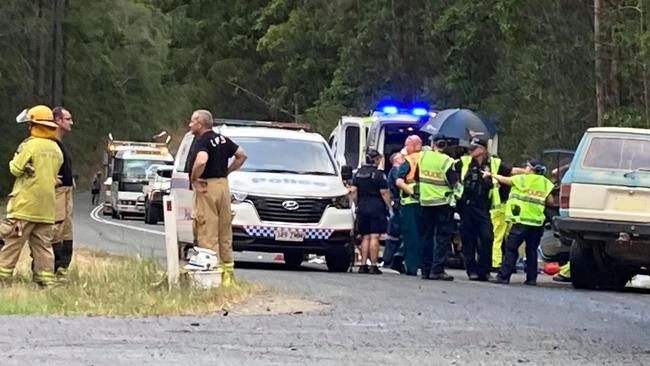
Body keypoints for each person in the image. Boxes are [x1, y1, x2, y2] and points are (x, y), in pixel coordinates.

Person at [0, 105, 63, 287]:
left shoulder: (29, 145)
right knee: (43, 248)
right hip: (46, 209)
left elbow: (15, 169)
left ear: (33, 124)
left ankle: (2, 280)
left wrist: (21, 163)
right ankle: (45, 281)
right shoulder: (56, 149)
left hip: (24, 206)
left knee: (10, 244)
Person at [186, 109, 247, 287]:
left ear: (200, 123)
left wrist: (194, 178)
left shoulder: (202, 141)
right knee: (224, 233)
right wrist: (227, 171)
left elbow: (202, 160)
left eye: (192, 122)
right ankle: (228, 277)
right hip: (223, 186)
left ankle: (211, 278)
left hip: (207, 187)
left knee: (207, 231)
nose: (190, 125)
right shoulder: (222, 139)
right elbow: (242, 155)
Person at [455, 137, 516, 281]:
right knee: (468, 240)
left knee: (487, 237)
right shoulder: (463, 162)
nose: (470, 151)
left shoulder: (494, 163)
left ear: (482, 150)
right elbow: (449, 173)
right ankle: (472, 270)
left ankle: (484, 270)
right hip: (466, 206)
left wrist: (529, 173)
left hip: (483, 207)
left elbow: (511, 172)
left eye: (474, 148)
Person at [487, 159, 554, 285]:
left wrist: (491, 175)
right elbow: (550, 201)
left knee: (511, 249)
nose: (525, 168)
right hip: (536, 223)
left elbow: (504, 180)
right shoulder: (546, 183)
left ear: (532, 169)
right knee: (531, 251)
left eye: (527, 166)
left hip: (521, 221)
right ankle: (531, 278)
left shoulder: (522, 179)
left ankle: (504, 277)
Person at [417, 134, 459, 281]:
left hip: (425, 202)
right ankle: (437, 270)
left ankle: (425, 270)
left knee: (425, 237)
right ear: (445, 145)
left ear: (432, 143)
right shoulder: (447, 161)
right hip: (442, 203)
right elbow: (453, 182)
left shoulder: (422, 157)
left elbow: (417, 177)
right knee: (442, 237)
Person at [350, 149, 392, 274]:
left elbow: (354, 191)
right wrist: (389, 206)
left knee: (365, 237)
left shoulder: (358, 173)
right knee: (374, 236)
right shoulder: (379, 174)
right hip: (376, 207)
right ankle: (373, 265)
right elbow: (384, 192)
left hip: (362, 207)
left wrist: (356, 205)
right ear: (375, 159)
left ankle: (363, 265)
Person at [51, 106, 75, 277]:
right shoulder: (51, 143)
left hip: (66, 192)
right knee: (55, 230)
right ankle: (51, 266)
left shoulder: (60, 143)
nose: (71, 122)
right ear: (57, 121)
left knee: (66, 230)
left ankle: (62, 267)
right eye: (68, 119)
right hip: (57, 193)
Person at [395, 135, 423, 276]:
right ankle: (425, 266)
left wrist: (412, 192)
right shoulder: (428, 158)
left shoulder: (408, 161)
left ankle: (411, 267)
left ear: (417, 145)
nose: (406, 148)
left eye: (408, 145)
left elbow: (399, 181)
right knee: (425, 235)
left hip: (411, 203)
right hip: (427, 202)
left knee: (411, 236)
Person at [382, 152, 405, 272]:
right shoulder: (396, 171)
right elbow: (400, 185)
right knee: (397, 234)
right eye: (402, 157)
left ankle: (388, 259)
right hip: (398, 205)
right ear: (396, 160)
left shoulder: (393, 171)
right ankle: (391, 259)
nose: (404, 159)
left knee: (394, 234)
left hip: (396, 205)